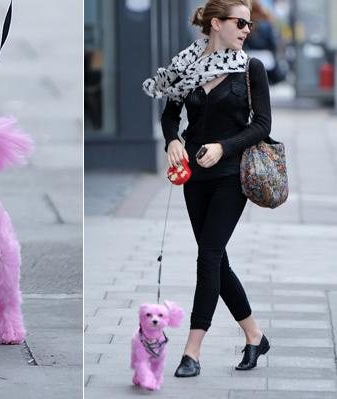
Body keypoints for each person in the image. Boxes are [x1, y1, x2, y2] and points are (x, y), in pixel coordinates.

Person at [142, 0, 271, 378]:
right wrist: (172, 141)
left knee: (208, 256)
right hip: (194, 178)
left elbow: (262, 124)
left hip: (232, 176)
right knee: (217, 260)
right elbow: (169, 114)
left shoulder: (251, 68)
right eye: (240, 23)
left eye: (249, 25)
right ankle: (254, 336)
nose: (247, 30)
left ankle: (192, 350)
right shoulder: (187, 67)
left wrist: (224, 147)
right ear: (217, 23)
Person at [243, 0, 286, 85]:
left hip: (248, 58)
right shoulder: (267, 23)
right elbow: (273, 43)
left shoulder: (245, 23)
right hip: (267, 59)